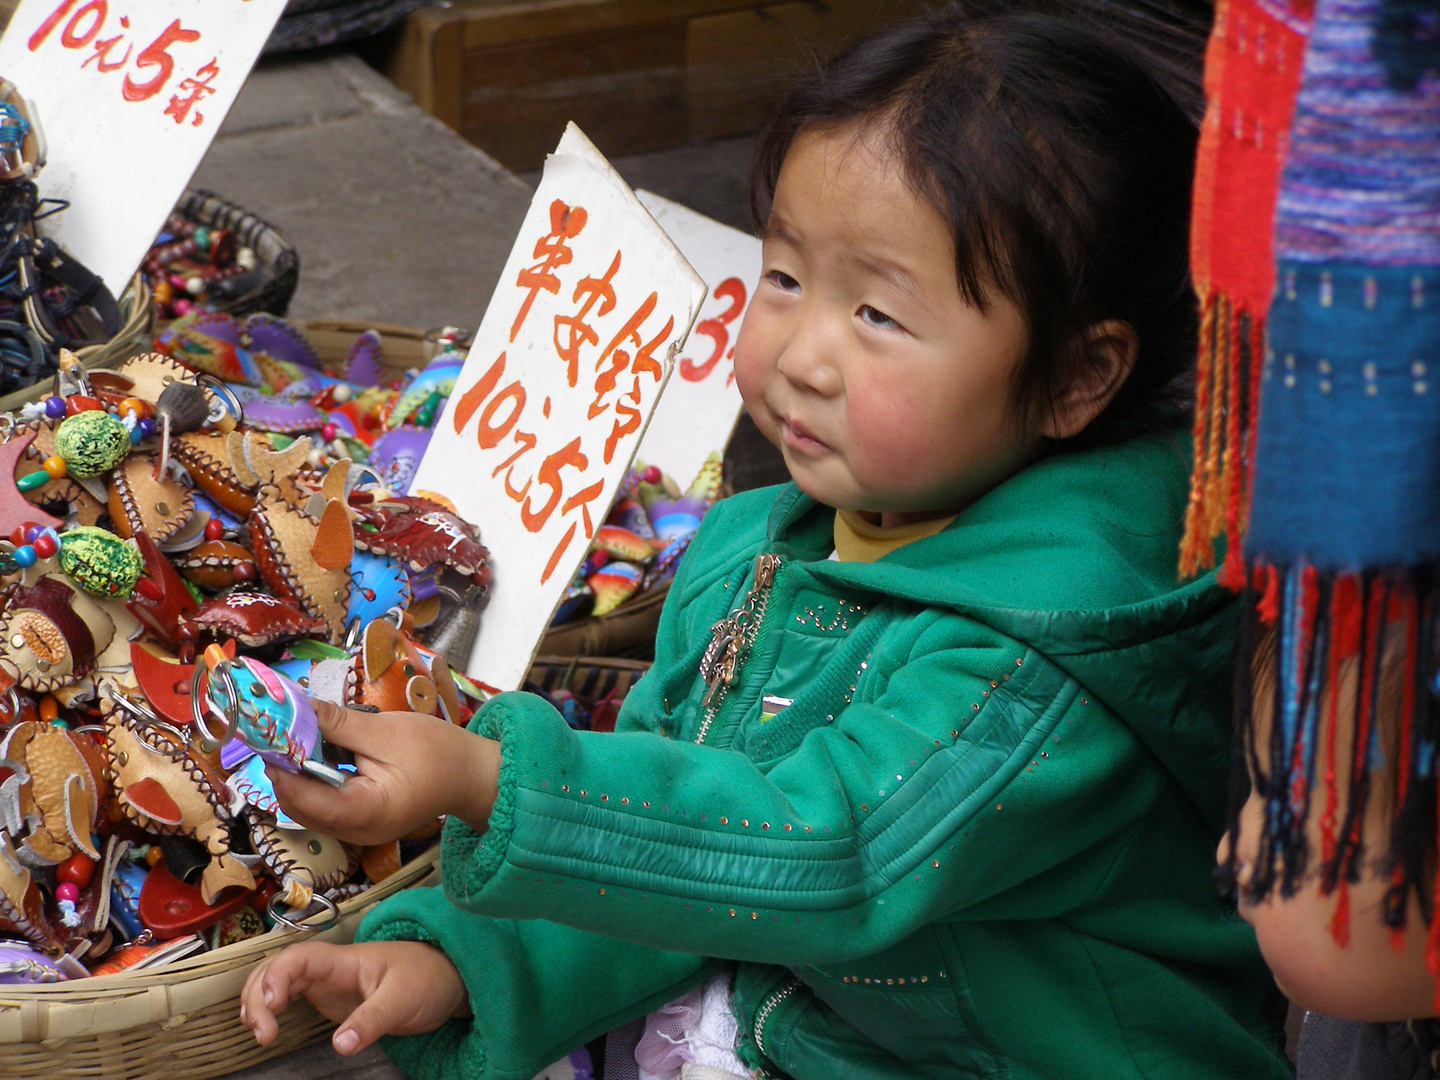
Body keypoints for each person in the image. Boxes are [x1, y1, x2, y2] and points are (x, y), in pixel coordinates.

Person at [238, 7, 1292, 1078]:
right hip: (813, 1020)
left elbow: (820, 850)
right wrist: (470, 967)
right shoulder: (760, 550)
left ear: (1075, 377)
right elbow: (678, 839)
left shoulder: (1042, 665)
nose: (802, 355)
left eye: (877, 315)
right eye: (786, 278)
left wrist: (487, 781)